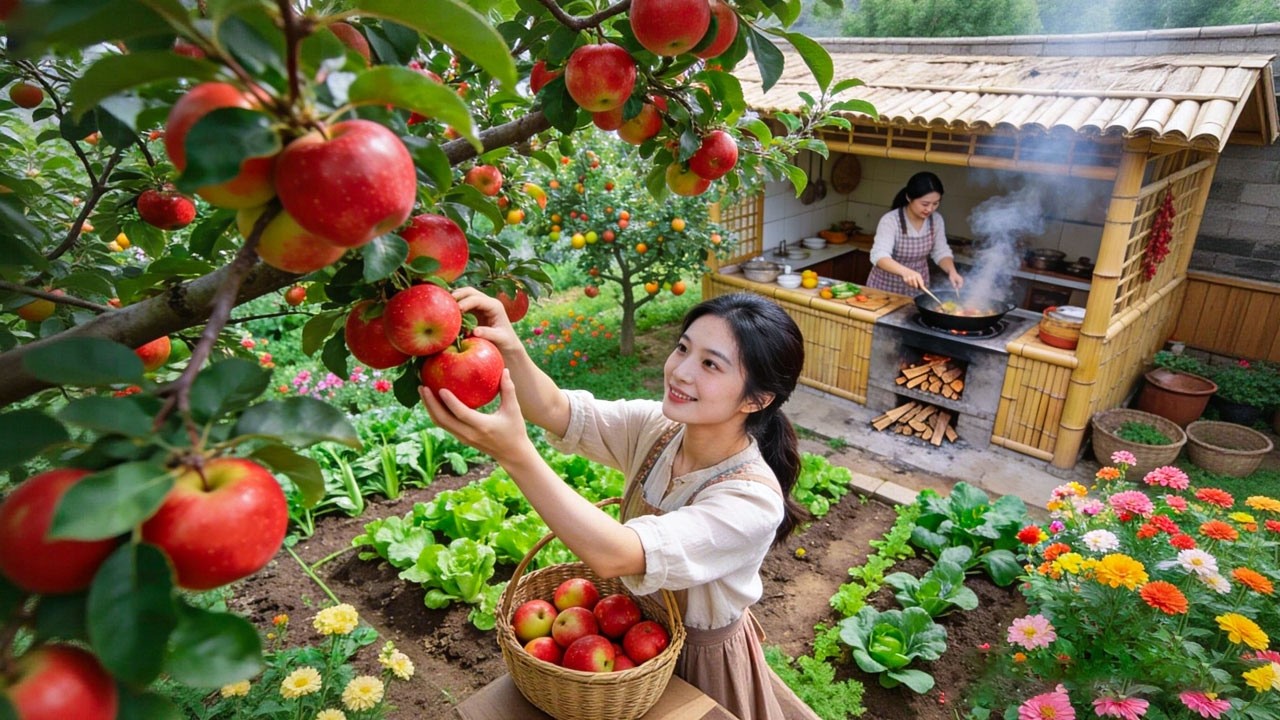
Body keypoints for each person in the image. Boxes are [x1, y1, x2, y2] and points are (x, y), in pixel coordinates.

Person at [420, 288, 821, 720]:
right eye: (683, 348)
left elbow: (617, 555)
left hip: (699, 664)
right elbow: (556, 409)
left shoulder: (751, 500)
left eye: (710, 364)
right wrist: (508, 345)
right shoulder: (660, 429)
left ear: (756, 400)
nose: (681, 371)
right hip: (628, 636)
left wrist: (515, 453)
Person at [866, 171, 965, 295]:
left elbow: (941, 251)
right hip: (885, 289)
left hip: (918, 289)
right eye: (925, 204)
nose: (930, 209)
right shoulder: (891, 220)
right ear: (909, 198)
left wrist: (952, 272)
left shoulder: (936, 220)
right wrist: (906, 272)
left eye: (935, 203)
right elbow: (879, 255)